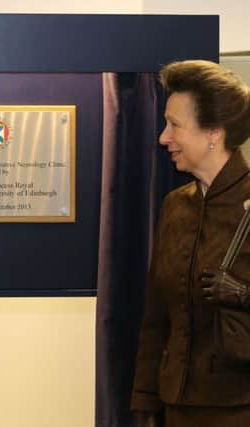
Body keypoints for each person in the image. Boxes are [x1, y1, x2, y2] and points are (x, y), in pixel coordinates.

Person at [131, 60, 250, 426]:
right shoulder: (175, 206)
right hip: (176, 406)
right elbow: (156, 316)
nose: (163, 137)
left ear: (213, 132)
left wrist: (244, 294)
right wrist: (147, 401)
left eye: (175, 125)